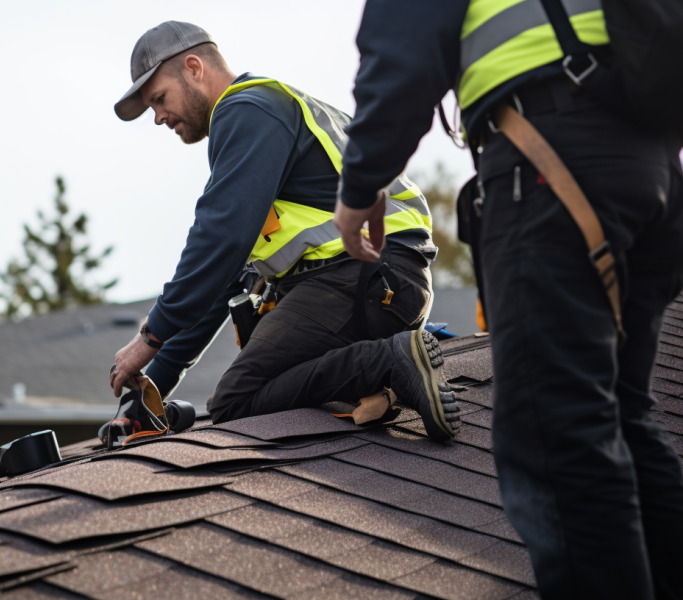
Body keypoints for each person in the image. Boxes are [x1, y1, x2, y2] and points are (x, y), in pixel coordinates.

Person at [332, 1, 683, 597]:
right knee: (620, 415)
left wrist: (361, 182)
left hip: (553, 161)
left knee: (556, 432)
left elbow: (403, 50)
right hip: (650, 173)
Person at [107, 21, 462, 441]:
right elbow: (225, 282)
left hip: (362, 277)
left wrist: (149, 336)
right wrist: (150, 393)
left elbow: (219, 239)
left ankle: (388, 363)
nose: (158, 118)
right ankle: (385, 371)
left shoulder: (247, 110)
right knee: (267, 383)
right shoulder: (271, 115)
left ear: (193, 67)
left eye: (159, 99)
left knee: (236, 402)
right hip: (380, 280)